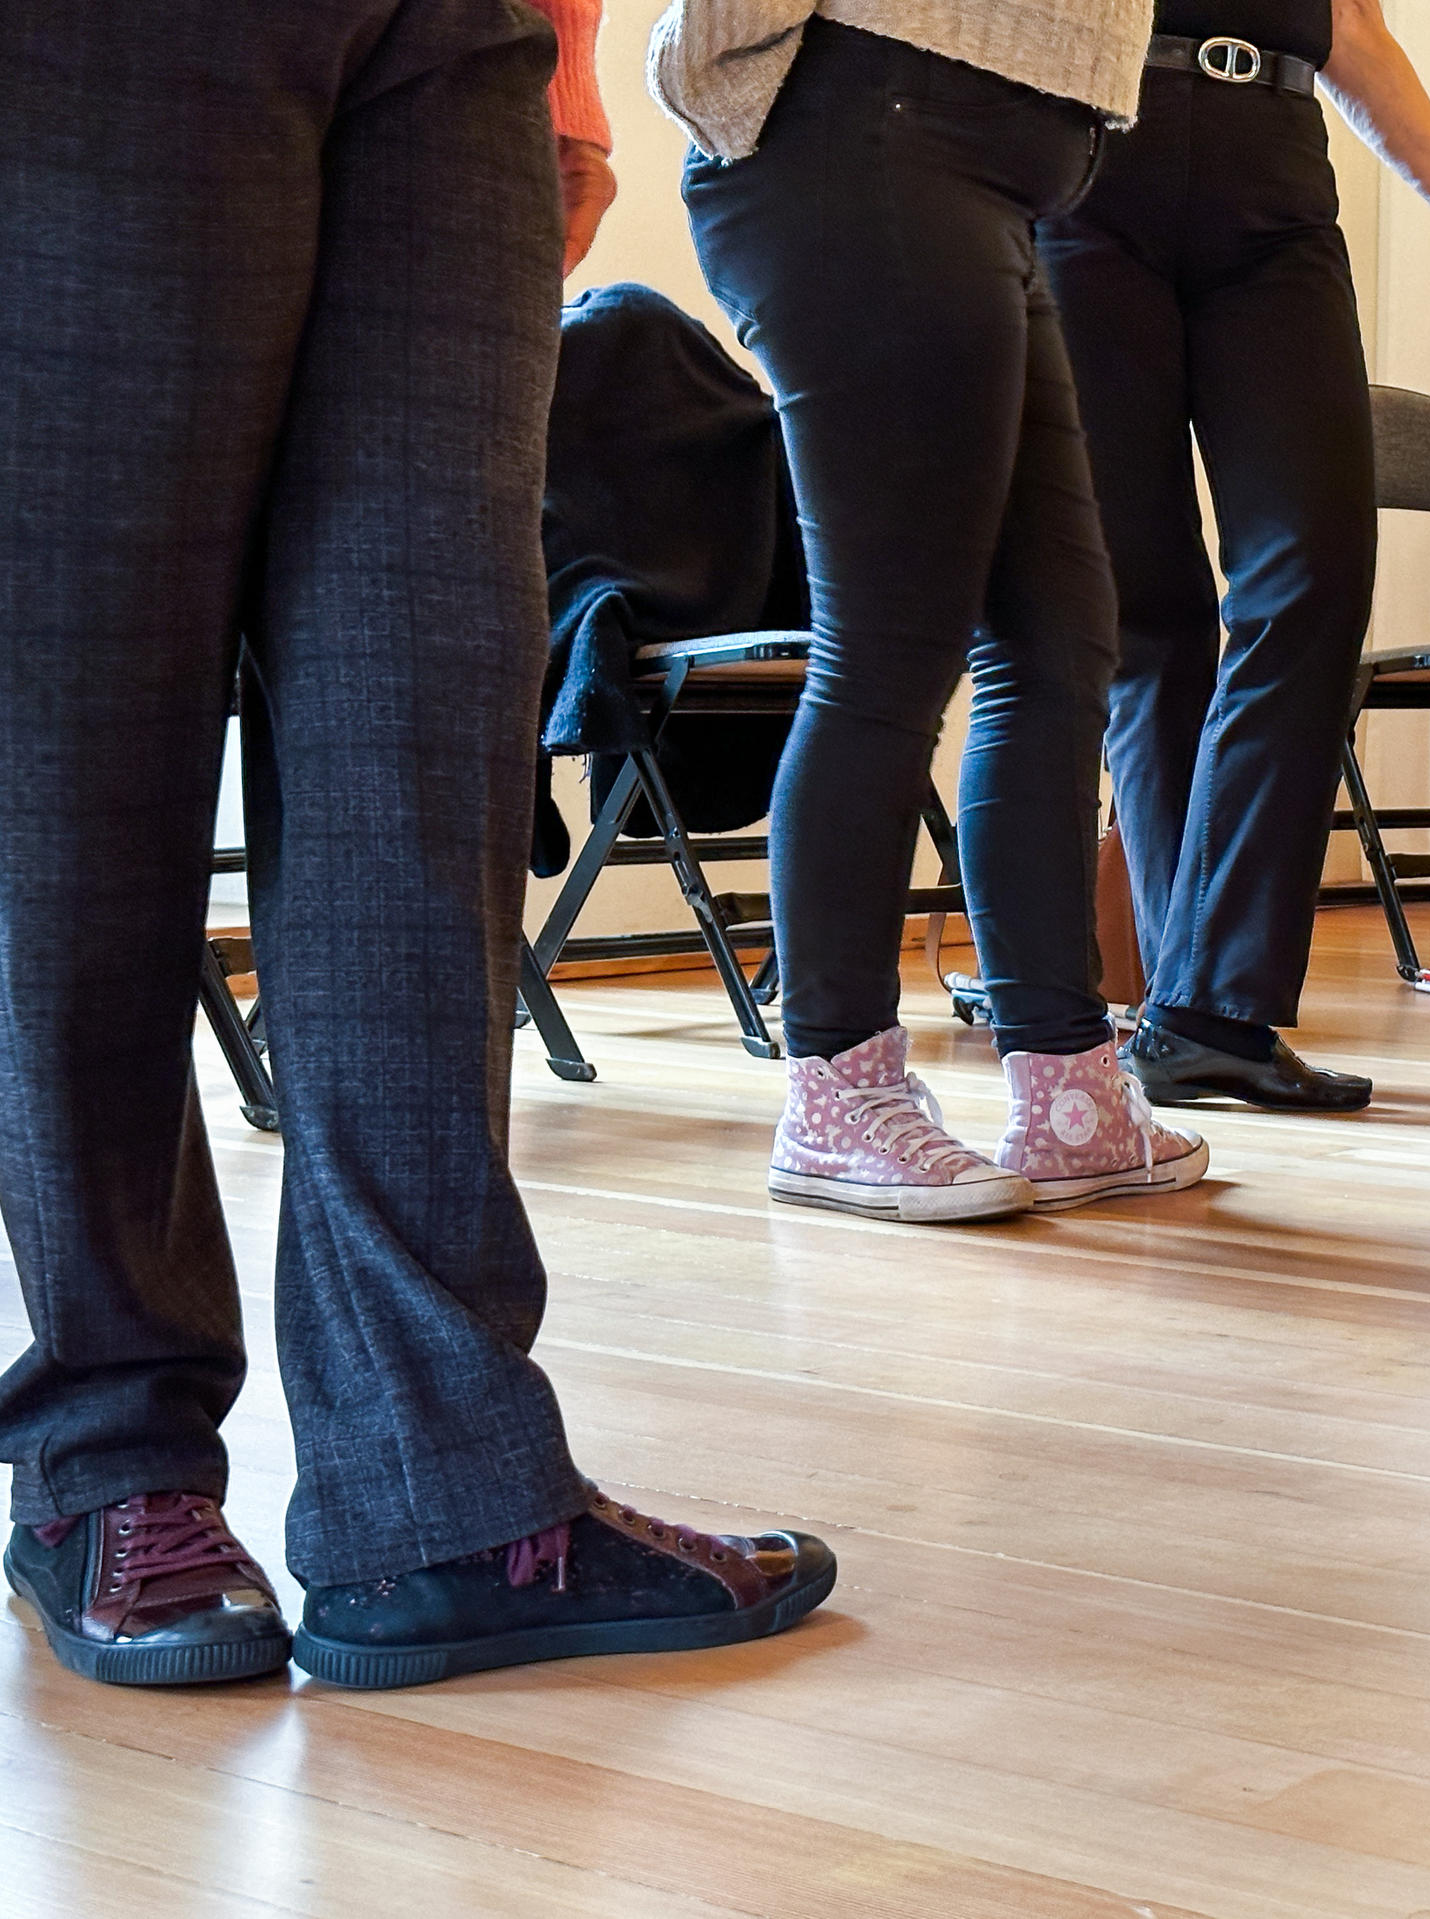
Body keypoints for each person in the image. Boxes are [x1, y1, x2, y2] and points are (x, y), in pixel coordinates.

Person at [0, 0, 834, 1692]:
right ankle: (115, 1459)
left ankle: (441, 1491)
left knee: (423, 719)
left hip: (451, 43)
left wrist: (568, 51)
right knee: (86, 729)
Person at [659, 0, 1210, 1218]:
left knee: (1059, 641)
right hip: (868, 140)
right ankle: (837, 1089)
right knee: (889, 648)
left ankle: (1067, 1084)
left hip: (980, 173)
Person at [1039, 0, 1430, 1113]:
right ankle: (1200, 1014)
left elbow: (1347, 28)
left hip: (1272, 179)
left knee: (1313, 573)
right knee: (1150, 616)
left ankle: (1202, 1001)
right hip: (1082, 158)